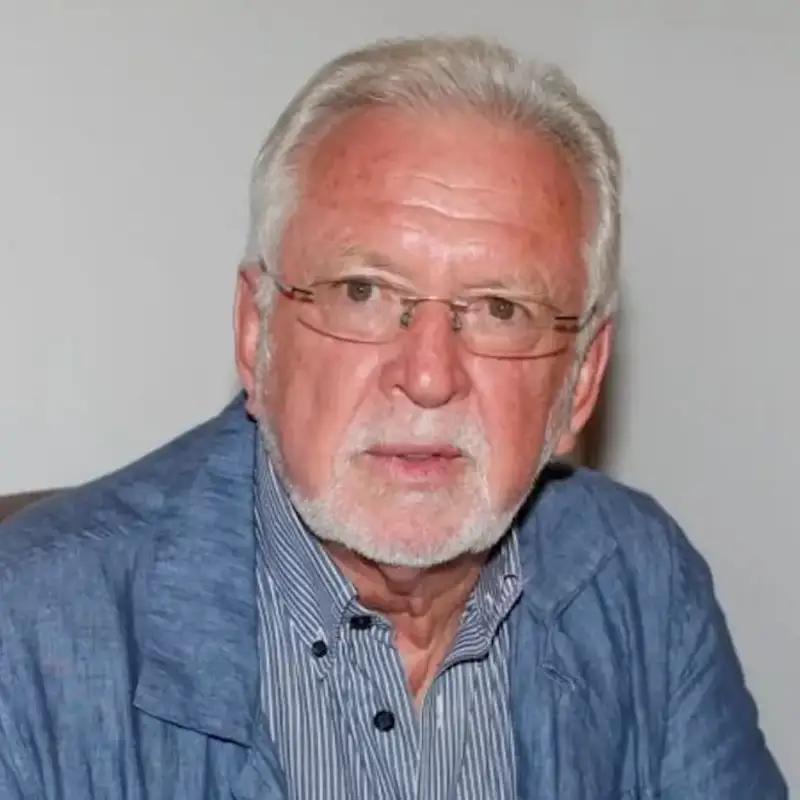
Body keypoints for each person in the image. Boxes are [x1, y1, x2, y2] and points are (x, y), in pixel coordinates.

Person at [0, 35, 786, 799]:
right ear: (255, 333)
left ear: (580, 380)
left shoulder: (641, 580)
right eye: (364, 292)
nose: (429, 376)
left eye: (500, 308)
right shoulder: (28, 631)